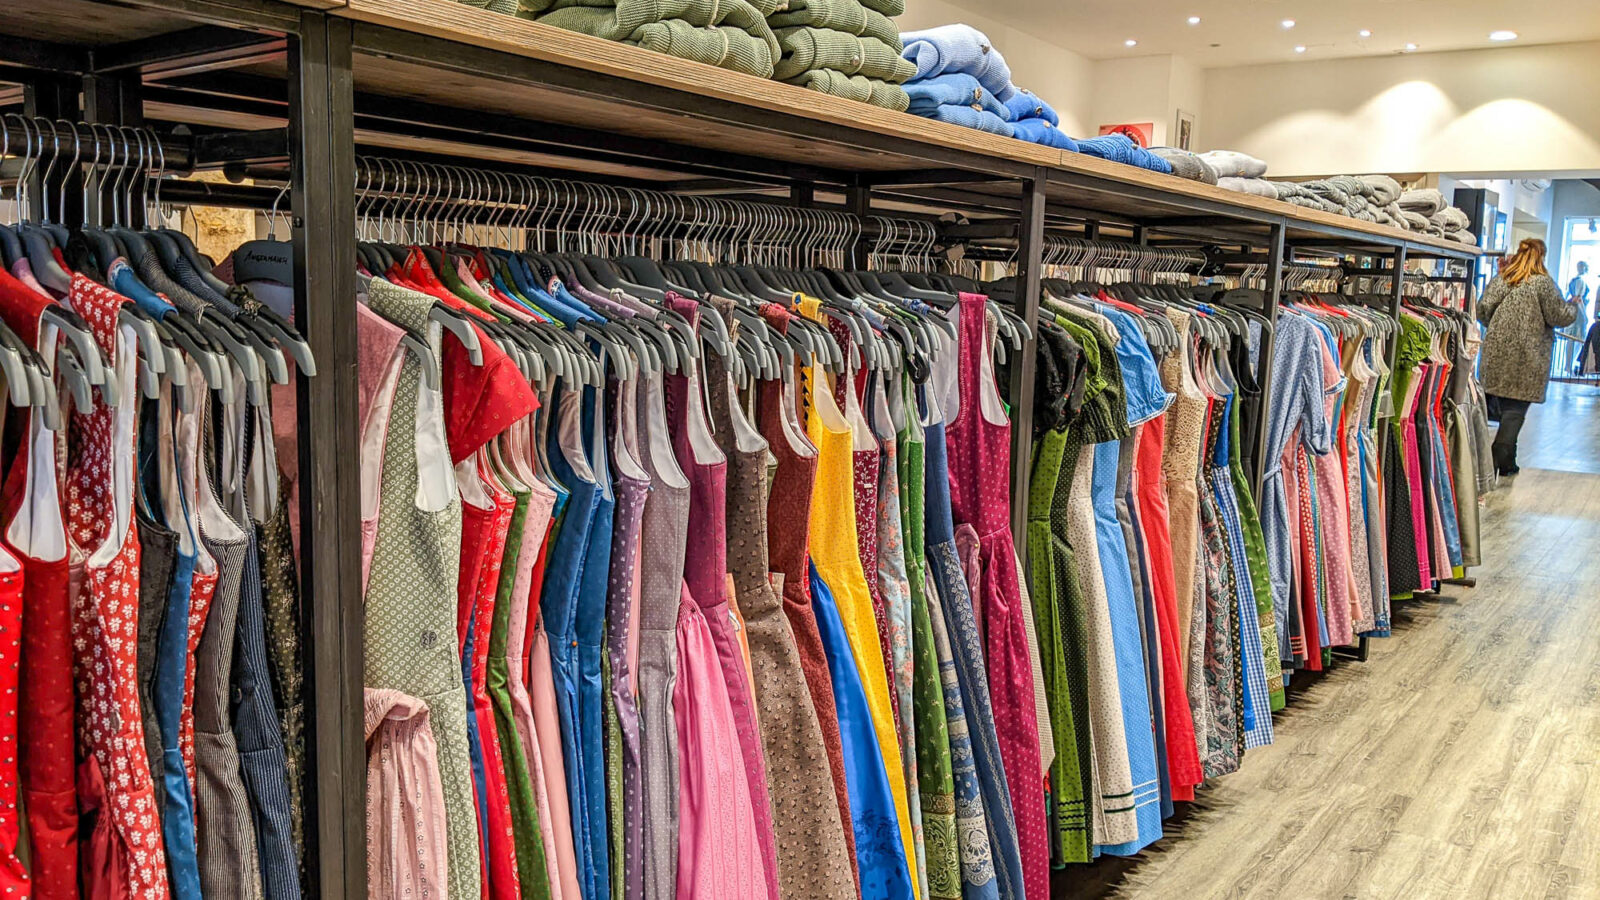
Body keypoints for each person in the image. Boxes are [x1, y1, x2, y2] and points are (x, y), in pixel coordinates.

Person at [1478, 238, 1579, 476]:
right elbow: (1559, 316)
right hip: (1529, 356)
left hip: (1496, 353)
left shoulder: (1502, 279)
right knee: (1515, 409)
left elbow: (1483, 309)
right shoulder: (1544, 284)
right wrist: (1573, 306)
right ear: (1540, 257)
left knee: (1500, 406)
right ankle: (1494, 461)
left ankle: (1508, 463)